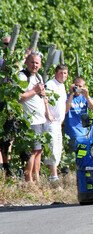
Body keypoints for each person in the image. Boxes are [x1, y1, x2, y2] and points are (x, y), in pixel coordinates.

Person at [18, 52, 49, 182]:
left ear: (40, 64)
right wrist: (35, 91)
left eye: (37, 63)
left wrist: (41, 93)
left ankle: (37, 178)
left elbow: (42, 95)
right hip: (31, 120)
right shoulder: (22, 76)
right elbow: (20, 97)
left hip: (41, 119)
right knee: (32, 151)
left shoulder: (39, 77)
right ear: (26, 62)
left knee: (39, 150)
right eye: (32, 62)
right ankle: (28, 179)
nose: (34, 65)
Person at [44, 64, 68, 182]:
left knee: (58, 148)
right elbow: (44, 98)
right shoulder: (50, 84)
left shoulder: (62, 86)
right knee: (52, 147)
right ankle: (53, 176)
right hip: (50, 122)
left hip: (58, 123)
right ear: (55, 73)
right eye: (60, 73)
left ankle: (53, 174)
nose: (63, 75)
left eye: (65, 73)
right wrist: (47, 113)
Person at [64, 77, 93, 149]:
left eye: (80, 86)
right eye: (76, 86)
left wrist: (87, 96)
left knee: (83, 155)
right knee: (75, 155)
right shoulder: (67, 97)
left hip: (84, 133)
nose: (78, 88)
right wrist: (71, 94)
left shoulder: (84, 97)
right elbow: (65, 110)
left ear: (84, 87)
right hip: (72, 133)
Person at [0, 35, 11, 175]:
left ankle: (7, 165)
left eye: (9, 43)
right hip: (1, 100)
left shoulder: (17, 61)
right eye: (5, 43)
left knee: (9, 137)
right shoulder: (1, 60)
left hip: (11, 103)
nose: (7, 46)